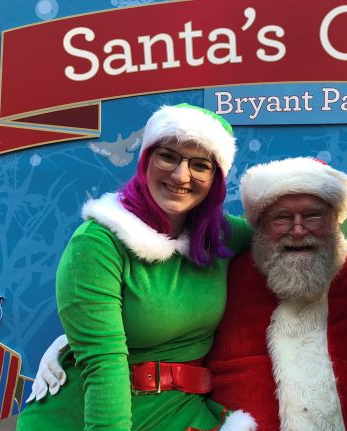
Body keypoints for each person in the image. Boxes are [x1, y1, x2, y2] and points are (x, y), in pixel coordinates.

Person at [29, 157, 347, 430]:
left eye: (313, 216)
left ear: (336, 224)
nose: (297, 231)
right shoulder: (226, 274)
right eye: (279, 218)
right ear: (257, 228)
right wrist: (73, 341)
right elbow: (159, 315)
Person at [16, 104, 257, 431]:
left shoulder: (220, 235)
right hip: (92, 415)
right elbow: (104, 365)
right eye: (168, 156)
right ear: (146, 160)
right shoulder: (98, 242)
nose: (181, 175)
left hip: (180, 412)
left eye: (200, 165)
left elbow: (292, 233)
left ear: (215, 179)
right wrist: (81, 339)